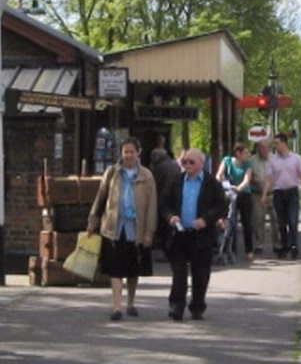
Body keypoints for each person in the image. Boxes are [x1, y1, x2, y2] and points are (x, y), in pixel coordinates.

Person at [87, 137, 157, 321]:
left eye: (132, 152)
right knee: (115, 269)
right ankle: (117, 307)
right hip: (114, 227)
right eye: (125, 152)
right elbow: (100, 198)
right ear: (121, 153)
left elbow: (152, 206)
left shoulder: (146, 176)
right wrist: (92, 222)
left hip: (136, 228)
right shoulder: (112, 173)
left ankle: (131, 302)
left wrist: (150, 231)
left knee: (133, 269)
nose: (128, 155)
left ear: (138, 153)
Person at [159, 147, 226, 320]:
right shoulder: (177, 181)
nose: (187, 165)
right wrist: (171, 217)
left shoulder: (212, 183)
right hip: (180, 235)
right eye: (184, 162)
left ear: (201, 164)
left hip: (202, 237)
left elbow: (221, 206)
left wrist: (206, 219)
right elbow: (164, 204)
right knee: (179, 275)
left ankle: (197, 306)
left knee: (201, 275)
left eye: (191, 162)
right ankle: (176, 306)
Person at [266, 132, 301, 260]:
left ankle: (294, 246)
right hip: (279, 193)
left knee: (292, 220)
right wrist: (264, 194)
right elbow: (269, 178)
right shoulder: (273, 160)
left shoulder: (296, 158)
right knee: (281, 222)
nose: (275, 146)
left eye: (277, 144)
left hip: (292, 192)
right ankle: (284, 246)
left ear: (284, 143)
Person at [216, 143, 254, 260]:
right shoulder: (227, 160)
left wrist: (239, 188)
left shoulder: (248, 164)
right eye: (245, 153)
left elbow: (247, 179)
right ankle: (230, 248)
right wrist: (222, 181)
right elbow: (219, 174)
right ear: (238, 153)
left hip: (244, 194)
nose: (248, 155)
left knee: (246, 222)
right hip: (230, 194)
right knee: (230, 221)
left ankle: (249, 250)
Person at [250, 138, 280, 255]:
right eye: (261, 148)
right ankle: (259, 244)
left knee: (276, 219)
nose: (263, 150)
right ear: (257, 149)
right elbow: (247, 174)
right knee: (257, 219)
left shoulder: (276, 159)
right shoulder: (252, 160)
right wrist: (253, 178)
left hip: (273, 193)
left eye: (265, 148)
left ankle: (278, 244)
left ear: (269, 148)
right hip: (257, 193)